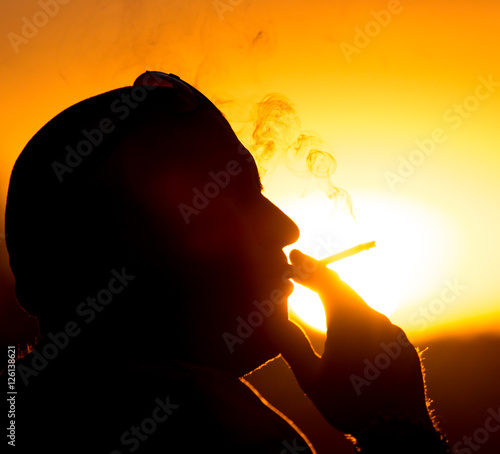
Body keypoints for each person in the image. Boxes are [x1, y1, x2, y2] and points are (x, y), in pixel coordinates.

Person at [3, 72, 450, 453]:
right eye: (228, 196)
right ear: (107, 253)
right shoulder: (201, 423)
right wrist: (396, 423)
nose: (286, 228)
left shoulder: (26, 406)